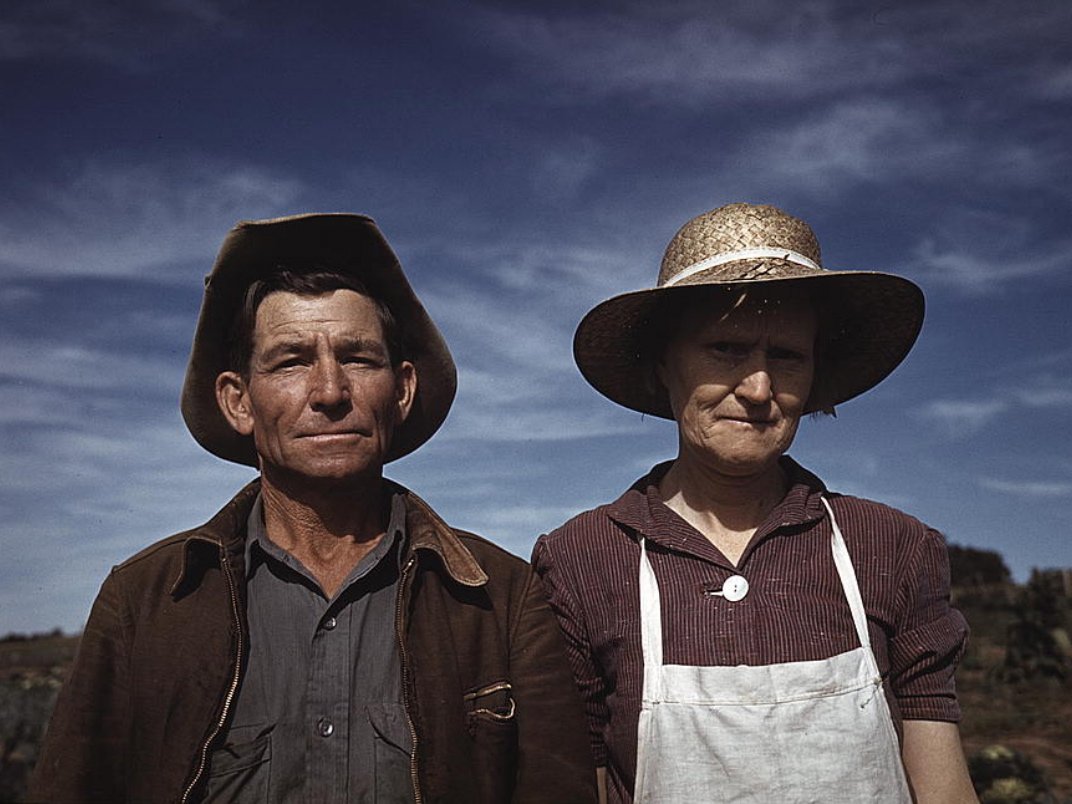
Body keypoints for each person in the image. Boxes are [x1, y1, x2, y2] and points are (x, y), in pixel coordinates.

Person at [31, 213, 595, 804]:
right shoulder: (143, 602)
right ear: (238, 401)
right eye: (291, 361)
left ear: (402, 390)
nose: (329, 391)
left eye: (359, 358)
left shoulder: (503, 598)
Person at [532, 203, 978, 803]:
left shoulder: (892, 546)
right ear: (664, 366)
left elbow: (943, 786)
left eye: (787, 356)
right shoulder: (582, 557)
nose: (759, 388)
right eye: (726, 349)